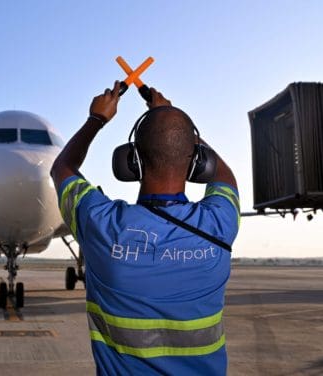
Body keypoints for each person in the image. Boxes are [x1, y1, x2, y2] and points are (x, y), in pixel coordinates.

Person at [50, 81, 239, 375]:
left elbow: (62, 168)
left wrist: (96, 119)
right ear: (196, 164)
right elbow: (225, 176)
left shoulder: (102, 225)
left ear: (132, 161)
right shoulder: (218, 224)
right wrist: (170, 115)